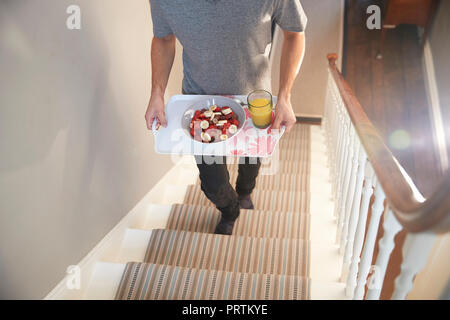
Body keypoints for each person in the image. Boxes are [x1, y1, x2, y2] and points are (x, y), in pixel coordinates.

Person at [145, 0, 307, 235]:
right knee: (212, 184)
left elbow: (295, 33)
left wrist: (284, 96)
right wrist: (156, 92)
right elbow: (163, 38)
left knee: (251, 164)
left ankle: (244, 192)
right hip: (199, 102)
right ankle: (230, 210)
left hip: (254, 102)